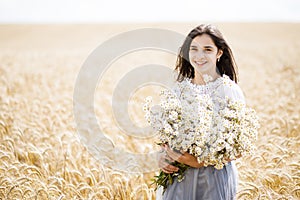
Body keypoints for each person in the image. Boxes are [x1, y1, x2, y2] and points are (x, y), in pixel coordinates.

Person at [156, 24, 245, 200]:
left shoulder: (228, 91)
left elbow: (239, 148)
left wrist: (197, 161)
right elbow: (165, 137)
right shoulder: (178, 90)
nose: (199, 56)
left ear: (219, 53)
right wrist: (162, 157)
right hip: (179, 178)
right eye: (194, 49)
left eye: (207, 49)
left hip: (214, 179)